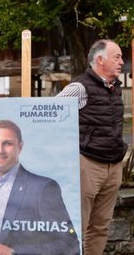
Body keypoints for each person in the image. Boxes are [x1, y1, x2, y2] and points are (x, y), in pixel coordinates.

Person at [0, 120, 80, 255]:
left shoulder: (42, 188)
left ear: (20, 147)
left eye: (8, 143)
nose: (0, 150)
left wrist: (13, 252)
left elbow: (69, 244)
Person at [57, 39, 127, 255]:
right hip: (87, 165)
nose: (122, 62)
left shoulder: (115, 89)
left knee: (100, 227)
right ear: (100, 59)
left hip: (113, 167)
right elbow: (49, 114)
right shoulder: (79, 88)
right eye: (117, 57)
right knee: (76, 225)